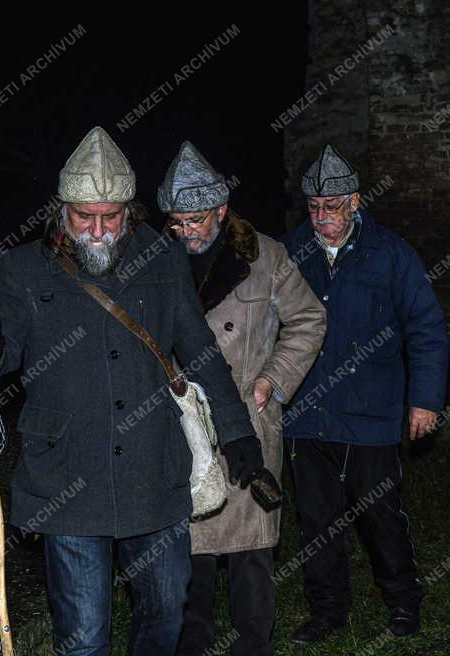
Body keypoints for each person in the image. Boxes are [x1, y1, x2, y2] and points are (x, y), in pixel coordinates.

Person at [0, 127, 257, 656]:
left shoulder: (163, 261)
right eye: (83, 217)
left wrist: (237, 432)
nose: (97, 230)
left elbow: (201, 351)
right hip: (67, 474)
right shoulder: (24, 268)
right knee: (84, 635)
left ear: (130, 211)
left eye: (110, 217)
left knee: (165, 615)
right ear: (61, 209)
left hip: (154, 472)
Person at [158, 142, 325, 656]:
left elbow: (309, 321)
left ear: (222, 210)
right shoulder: (155, 260)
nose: (188, 232)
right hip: (183, 420)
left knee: (251, 548)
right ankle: (194, 643)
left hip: (249, 420)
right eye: (179, 222)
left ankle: (253, 645)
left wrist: (272, 380)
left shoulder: (266, 255)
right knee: (192, 546)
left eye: (198, 220)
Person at [280, 145, 448, 641]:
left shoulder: (391, 253)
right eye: (313, 208)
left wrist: (425, 399)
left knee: (380, 517)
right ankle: (327, 611)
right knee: (316, 520)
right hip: (307, 415)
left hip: (371, 413)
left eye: (331, 207)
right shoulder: (290, 252)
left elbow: (427, 328)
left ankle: (403, 604)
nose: (322, 218)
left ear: (354, 201)